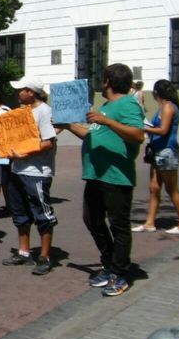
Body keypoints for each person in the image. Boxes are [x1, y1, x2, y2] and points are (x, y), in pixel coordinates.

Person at [58, 63, 145, 297]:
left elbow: (138, 135)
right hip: (96, 175)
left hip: (116, 176)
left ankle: (120, 272)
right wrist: (67, 125)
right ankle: (108, 264)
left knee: (119, 225)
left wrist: (107, 122)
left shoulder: (127, 104)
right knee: (92, 219)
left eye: (102, 77)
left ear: (107, 80)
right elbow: (90, 134)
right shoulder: (106, 107)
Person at [1, 76, 58, 275]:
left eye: (22, 90)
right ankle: (23, 252)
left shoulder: (44, 111)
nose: (18, 93)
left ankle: (44, 256)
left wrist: (25, 152)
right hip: (18, 169)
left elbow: (48, 142)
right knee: (20, 213)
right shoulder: (21, 113)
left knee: (42, 214)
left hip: (37, 173)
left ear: (31, 92)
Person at [132, 79, 179, 234]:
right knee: (154, 187)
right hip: (159, 152)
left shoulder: (167, 108)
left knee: (172, 189)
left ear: (157, 92)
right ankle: (149, 222)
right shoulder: (163, 107)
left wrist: (144, 128)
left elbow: (163, 130)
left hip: (167, 152)